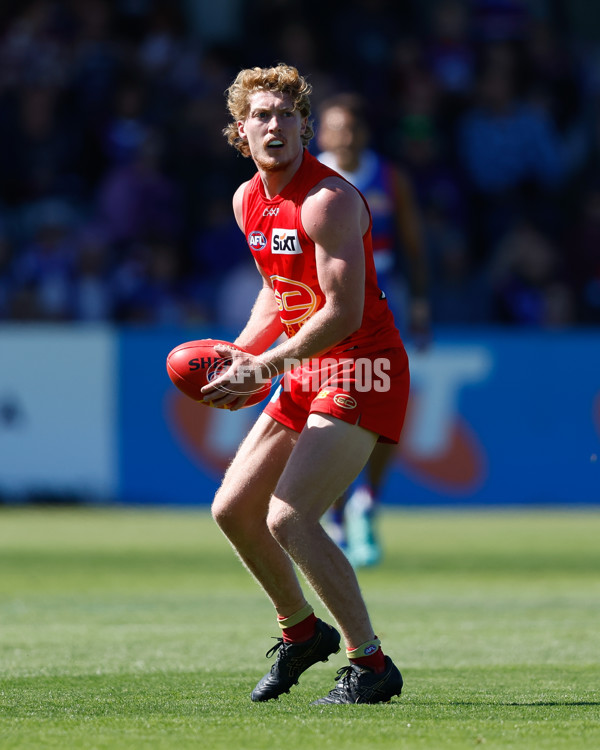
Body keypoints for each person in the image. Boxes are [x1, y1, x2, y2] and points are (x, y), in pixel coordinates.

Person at [200, 64, 410, 704]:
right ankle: (301, 633)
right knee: (232, 509)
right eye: (261, 115)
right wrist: (243, 349)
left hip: (361, 367)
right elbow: (278, 287)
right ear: (241, 131)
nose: (275, 125)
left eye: (287, 114)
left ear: (304, 128)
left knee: (289, 517)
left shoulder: (329, 199)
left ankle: (371, 666)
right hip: (308, 364)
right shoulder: (247, 200)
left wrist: (266, 367)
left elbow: (343, 312)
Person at [316, 93, 430, 567]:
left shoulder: (389, 178)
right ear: (320, 133)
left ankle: (366, 500)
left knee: (386, 405)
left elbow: (412, 242)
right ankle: (337, 510)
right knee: (329, 404)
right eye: (336, 128)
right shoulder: (309, 177)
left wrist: (421, 303)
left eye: (352, 128)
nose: (344, 137)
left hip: (382, 302)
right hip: (323, 304)